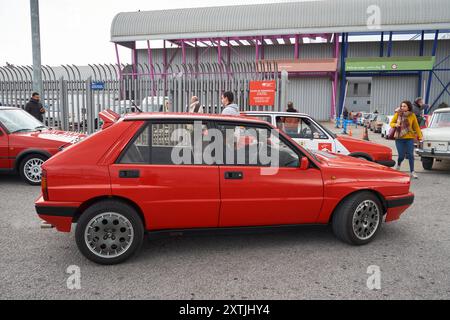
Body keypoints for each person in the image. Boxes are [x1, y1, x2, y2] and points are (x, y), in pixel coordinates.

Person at [390, 100, 423, 179]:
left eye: (404, 106)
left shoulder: (412, 115)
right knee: (401, 155)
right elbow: (391, 123)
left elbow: (416, 127)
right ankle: (398, 165)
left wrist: (420, 136)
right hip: (399, 138)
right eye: (401, 106)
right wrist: (396, 124)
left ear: (408, 107)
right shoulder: (398, 114)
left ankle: (412, 171)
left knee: (411, 155)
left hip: (409, 138)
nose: (402, 107)